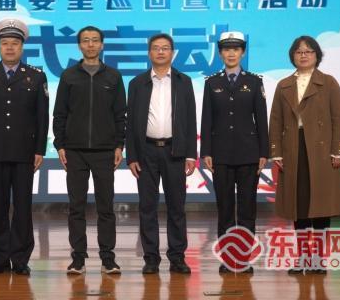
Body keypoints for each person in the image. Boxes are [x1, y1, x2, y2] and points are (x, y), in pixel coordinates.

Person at [269, 35, 340, 274]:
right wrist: (276, 152)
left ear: (317, 55)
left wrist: (339, 150)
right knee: (299, 206)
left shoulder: (328, 83)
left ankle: (318, 259)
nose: (303, 55)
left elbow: (338, 118)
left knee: (321, 207)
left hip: (322, 152)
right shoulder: (284, 85)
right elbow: (275, 120)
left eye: (308, 51)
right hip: (293, 149)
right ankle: (302, 258)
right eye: (298, 52)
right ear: (292, 56)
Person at [0, 18, 49, 276]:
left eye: (14, 43)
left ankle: (20, 258)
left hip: (25, 151)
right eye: (5, 43)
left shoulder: (36, 76)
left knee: (23, 206)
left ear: (22, 47)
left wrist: (39, 150)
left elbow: (42, 117)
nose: (9, 48)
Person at [52, 26, 126, 275]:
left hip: (105, 151)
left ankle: (108, 258)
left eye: (95, 40)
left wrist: (119, 145)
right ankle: (78, 259)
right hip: (75, 151)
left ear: (102, 45)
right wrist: (60, 145)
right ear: (79, 45)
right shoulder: (69, 76)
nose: (91, 44)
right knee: (77, 206)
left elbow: (120, 115)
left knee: (106, 207)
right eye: (86, 40)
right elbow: (60, 113)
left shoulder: (113, 76)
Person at [125, 33, 197, 275]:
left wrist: (190, 154)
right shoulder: (137, 83)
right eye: (156, 48)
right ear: (149, 53)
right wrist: (132, 156)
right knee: (147, 207)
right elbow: (130, 124)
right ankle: (151, 258)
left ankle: (177, 257)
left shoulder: (183, 81)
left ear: (172, 53)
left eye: (165, 48)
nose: (160, 52)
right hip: (146, 152)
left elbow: (190, 119)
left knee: (177, 207)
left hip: (175, 151)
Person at [200, 31, 268, 273]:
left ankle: (244, 258)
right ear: (220, 53)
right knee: (225, 208)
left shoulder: (255, 82)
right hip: (220, 155)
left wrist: (264, 152)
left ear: (243, 52)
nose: (231, 53)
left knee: (247, 209)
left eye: (236, 49)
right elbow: (206, 120)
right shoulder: (212, 83)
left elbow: (261, 120)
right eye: (226, 49)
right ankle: (228, 259)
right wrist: (206, 151)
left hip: (249, 154)